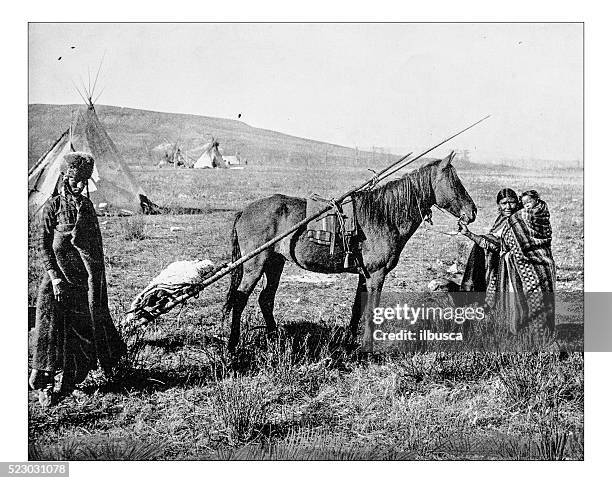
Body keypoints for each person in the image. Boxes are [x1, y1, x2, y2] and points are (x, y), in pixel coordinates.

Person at [29, 152, 126, 407]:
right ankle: (45, 385)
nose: (80, 185)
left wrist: (95, 282)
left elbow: (94, 248)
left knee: (81, 333)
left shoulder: (87, 207)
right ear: (64, 178)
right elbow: (43, 245)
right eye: (75, 180)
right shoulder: (52, 207)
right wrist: (54, 277)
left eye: (84, 180)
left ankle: (71, 384)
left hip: (82, 282)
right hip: (57, 282)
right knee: (49, 331)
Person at [457, 188, 556, 335]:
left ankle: (541, 337)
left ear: (518, 203)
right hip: (515, 268)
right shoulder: (503, 221)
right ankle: (523, 335)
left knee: (538, 301)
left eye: (512, 202)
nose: (508, 207)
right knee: (518, 303)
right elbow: (493, 243)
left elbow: (535, 238)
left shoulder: (521, 218)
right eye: (504, 203)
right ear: (498, 205)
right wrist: (469, 234)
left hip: (536, 265)